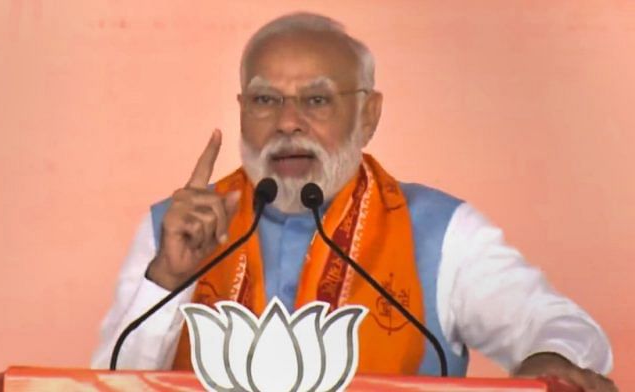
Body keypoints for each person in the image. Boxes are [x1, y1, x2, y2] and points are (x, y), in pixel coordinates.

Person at [92, 12, 616, 391]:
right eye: (265, 100)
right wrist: (166, 278)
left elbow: (557, 327)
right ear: (241, 110)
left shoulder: (438, 230)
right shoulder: (178, 227)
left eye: (316, 100)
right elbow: (103, 383)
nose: (287, 122)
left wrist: (548, 362)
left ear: (368, 116)